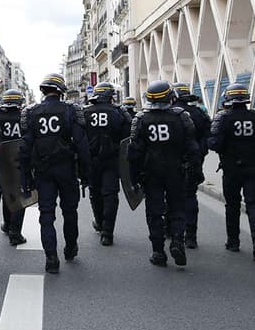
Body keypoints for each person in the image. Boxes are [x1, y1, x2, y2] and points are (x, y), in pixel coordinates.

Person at [19, 73, 91, 274]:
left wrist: (25, 175)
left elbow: (25, 147)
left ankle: (51, 257)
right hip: (67, 170)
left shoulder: (32, 112)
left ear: (43, 91)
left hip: (43, 171)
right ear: (61, 91)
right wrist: (85, 172)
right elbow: (81, 144)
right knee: (70, 211)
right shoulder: (70, 110)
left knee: (46, 214)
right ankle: (70, 248)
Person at [128, 81, 200, 267]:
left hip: (151, 173)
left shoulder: (141, 119)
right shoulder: (182, 117)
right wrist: (195, 172)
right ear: (170, 96)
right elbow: (192, 148)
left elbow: (134, 152)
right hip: (176, 171)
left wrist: (133, 178)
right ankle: (177, 240)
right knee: (177, 208)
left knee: (154, 212)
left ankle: (158, 251)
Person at [208, 83, 255, 263]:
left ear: (228, 99)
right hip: (254, 166)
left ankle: (233, 241)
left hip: (231, 168)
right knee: (254, 204)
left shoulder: (223, 117)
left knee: (232, 204)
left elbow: (214, 144)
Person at [84, 82, 131, 246]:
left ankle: (99, 221)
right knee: (110, 195)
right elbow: (128, 137)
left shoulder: (85, 112)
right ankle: (107, 233)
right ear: (110, 96)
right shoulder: (118, 112)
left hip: (91, 160)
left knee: (95, 193)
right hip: (112, 160)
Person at [172, 83, 211, 249]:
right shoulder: (199, 113)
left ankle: (174, 234)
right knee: (190, 197)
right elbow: (207, 139)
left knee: (172, 199)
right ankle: (191, 236)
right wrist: (199, 156)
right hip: (194, 162)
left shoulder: (170, 113)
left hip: (173, 163)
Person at [0, 89, 28, 246]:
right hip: (21, 158)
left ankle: (7, 225)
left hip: (4, 159)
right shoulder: (24, 115)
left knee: (6, 192)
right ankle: (15, 231)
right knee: (20, 195)